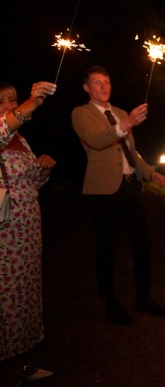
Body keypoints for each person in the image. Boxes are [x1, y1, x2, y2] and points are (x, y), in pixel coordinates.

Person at [71, 65, 165, 326]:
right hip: (101, 191)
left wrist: (150, 173)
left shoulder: (121, 113)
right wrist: (126, 124)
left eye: (106, 81)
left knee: (142, 243)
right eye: (96, 82)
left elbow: (131, 151)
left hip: (129, 186)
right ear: (86, 88)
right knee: (107, 247)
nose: (103, 86)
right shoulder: (80, 114)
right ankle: (110, 302)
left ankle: (143, 296)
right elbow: (96, 140)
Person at [0, 81, 57, 386]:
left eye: (12, 99)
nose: (9, 104)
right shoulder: (2, 133)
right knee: (5, 297)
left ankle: (23, 362)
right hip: (4, 232)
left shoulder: (20, 139)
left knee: (25, 293)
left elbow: (33, 181)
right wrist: (32, 102)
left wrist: (43, 168)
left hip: (28, 230)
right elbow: (4, 127)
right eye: (3, 101)